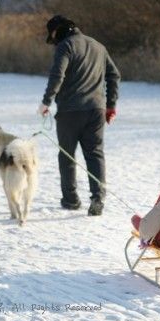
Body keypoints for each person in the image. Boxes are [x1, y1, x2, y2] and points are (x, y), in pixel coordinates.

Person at [37, 15, 120, 216]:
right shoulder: (98, 46)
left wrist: (46, 101)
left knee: (66, 155)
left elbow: (58, 75)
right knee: (95, 154)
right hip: (96, 111)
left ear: (58, 31)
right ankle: (98, 197)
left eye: (53, 36)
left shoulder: (65, 47)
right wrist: (110, 106)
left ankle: (71, 200)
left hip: (69, 112)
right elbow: (114, 75)